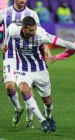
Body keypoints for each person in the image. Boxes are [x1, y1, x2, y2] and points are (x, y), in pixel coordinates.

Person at [2, 16, 75, 132]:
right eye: (31, 30)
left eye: (35, 29)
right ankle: (42, 121)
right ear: (23, 29)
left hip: (40, 71)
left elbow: (64, 42)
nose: (34, 32)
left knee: (47, 101)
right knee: (23, 89)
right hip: (23, 70)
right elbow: (8, 30)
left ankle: (48, 116)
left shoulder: (41, 35)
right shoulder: (14, 31)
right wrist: (5, 43)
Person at [0, 0, 51, 129]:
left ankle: (29, 119)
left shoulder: (32, 14)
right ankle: (18, 108)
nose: (23, 0)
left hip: (26, 57)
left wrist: (46, 47)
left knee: (26, 89)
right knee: (10, 88)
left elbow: (39, 32)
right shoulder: (4, 13)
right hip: (10, 55)